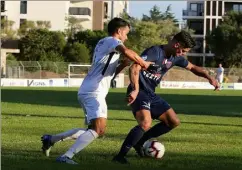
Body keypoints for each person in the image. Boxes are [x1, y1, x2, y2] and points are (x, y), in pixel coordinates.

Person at [41, 17, 158, 164]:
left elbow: (109, 73)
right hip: (93, 91)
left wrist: (122, 65)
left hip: (90, 90)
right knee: (98, 130)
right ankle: (66, 157)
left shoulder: (104, 43)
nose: (126, 37)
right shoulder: (112, 41)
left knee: (93, 129)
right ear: (119, 31)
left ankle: (51, 139)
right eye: (126, 33)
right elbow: (127, 51)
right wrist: (143, 63)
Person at [112, 31, 220, 164]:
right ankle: (120, 156)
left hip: (151, 93)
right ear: (177, 45)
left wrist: (209, 77)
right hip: (139, 92)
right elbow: (135, 67)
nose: (183, 54)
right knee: (146, 122)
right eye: (183, 50)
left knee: (173, 121)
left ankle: (140, 142)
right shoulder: (155, 52)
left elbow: (193, 68)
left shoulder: (176, 57)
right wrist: (135, 89)